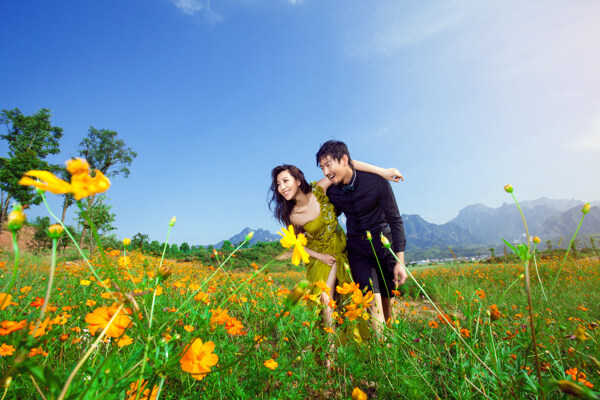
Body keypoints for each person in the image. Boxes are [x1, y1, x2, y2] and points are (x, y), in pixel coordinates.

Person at [268, 162, 401, 334]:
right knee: (324, 298)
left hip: (345, 248)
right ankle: (330, 354)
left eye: (285, 181)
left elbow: (346, 165)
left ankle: (380, 337)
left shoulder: (319, 189)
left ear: (298, 181)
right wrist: (320, 256)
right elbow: (295, 243)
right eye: (278, 184)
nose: (282, 187)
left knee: (360, 296)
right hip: (321, 257)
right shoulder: (291, 215)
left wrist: (383, 171)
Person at [315, 140, 407, 331]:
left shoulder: (377, 182)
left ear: (344, 160)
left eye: (328, 165)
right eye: (322, 167)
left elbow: (396, 221)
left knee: (388, 303)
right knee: (371, 303)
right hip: (357, 249)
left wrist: (400, 261)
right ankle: (381, 353)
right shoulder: (333, 192)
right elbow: (316, 197)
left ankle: (393, 347)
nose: (325, 172)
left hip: (383, 244)